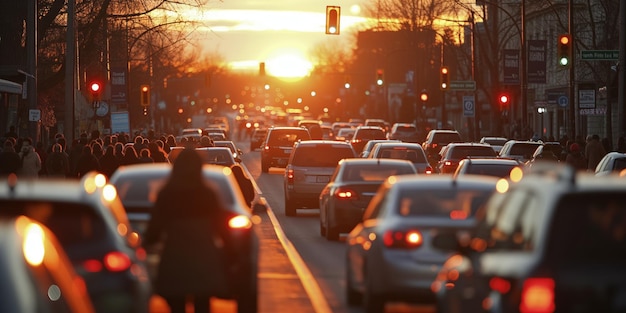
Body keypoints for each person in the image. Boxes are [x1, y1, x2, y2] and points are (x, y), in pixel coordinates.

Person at [143, 148, 234, 313]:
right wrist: (231, 254)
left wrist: (143, 246)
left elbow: (154, 231)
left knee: (177, 305)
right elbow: (222, 229)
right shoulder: (207, 194)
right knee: (203, 304)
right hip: (203, 260)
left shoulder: (167, 195)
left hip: (175, 260)